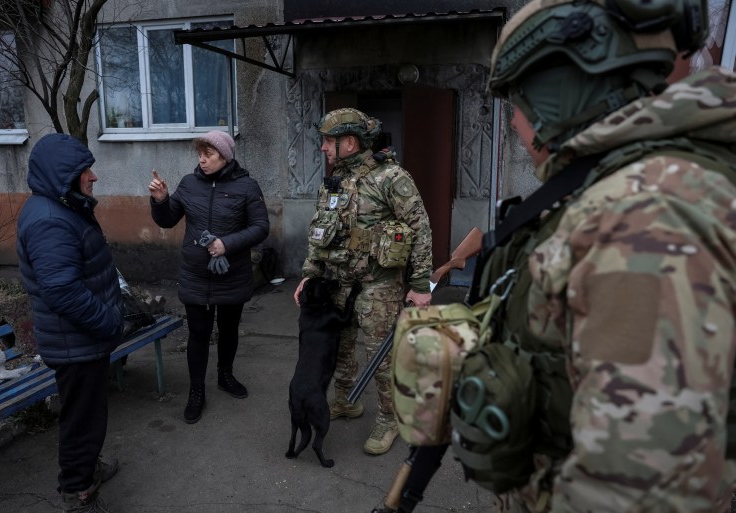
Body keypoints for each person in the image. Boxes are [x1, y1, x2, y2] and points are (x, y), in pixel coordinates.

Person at [427, 0, 736, 512]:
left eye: (519, 104)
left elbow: (634, 487)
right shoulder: (624, 185)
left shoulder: (645, 217)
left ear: (562, 93)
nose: (518, 129)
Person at [293, 108, 433, 455]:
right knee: (338, 346)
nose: (323, 148)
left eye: (328, 141)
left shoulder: (391, 177)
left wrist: (419, 285)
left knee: (381, 357)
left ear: (350, 142)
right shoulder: (335, 179)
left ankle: (390, 418)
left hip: (379, 284)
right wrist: (310, 273)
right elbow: (320, 229)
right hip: (338, 280)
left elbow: (420, 228)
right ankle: (345, 400)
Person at [16, 133, 124, 513]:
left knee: (87, 415)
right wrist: (110, 322)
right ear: (65, 176)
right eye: (85, 170)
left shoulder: (62, 205)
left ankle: (86, 469)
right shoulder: (50, 221)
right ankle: (77, 493)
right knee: (81, 422)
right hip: (76, 343)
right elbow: (63, 292)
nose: (93, 176)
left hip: (80, 340)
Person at [149, 130, 269, 424]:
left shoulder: (247, 186)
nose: (202, 161)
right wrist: (161, 200)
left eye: (209, 155)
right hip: (196, 275)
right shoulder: (189, 184)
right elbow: (167, 220)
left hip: (231, 273)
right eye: (199, 155)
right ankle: (196, 391)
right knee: (198, 334)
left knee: (228, 330)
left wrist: (227, 243)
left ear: (225, 156)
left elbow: (261, 226)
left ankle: (225, 376)